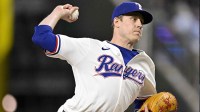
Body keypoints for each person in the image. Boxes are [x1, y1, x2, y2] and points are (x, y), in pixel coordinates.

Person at [32, 2, 157, 112]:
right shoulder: (89, 47)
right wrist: (58, 12)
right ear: (117, 22)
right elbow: (41, 37)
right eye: (134, 19)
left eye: (141, 21)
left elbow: (145, 101)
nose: (139, 25)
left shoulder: (145, 63)